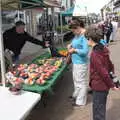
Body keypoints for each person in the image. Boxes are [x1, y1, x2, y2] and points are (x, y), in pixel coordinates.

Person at [85, 27, 119, 120]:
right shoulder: (103, 48)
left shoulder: (94, 54)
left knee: (98, 111)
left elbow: (103, 72)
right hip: (103, 86)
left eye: (87, 39)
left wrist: (112, 85)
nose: (86, 41)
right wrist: (115, 80)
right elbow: (110, 66)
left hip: (99, 86)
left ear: (90, 39)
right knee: (100, 108)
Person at [67, 18, 89, 106]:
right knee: (76, 80)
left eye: (73, 30)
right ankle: (77, 96)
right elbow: (75, 42)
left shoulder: (84, 36)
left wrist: (74, 50)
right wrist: (71, 45)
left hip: (81, 63)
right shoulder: (77, 34)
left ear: (78, 27)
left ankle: (80, 102)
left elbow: (85, 51)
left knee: (81, 82)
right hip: (76, 62)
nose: (73, 32)